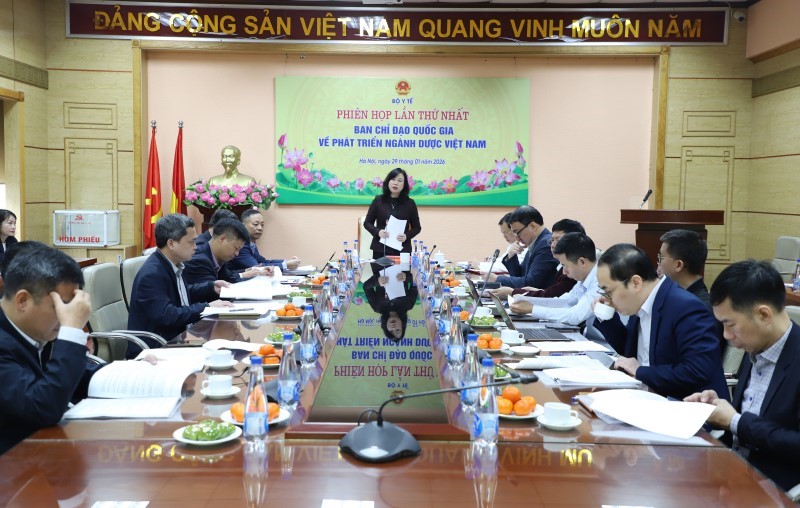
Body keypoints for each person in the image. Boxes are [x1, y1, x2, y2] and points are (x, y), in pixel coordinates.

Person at [685, 260, 800, 492]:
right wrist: (717, 409)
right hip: (731, 473)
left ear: (764, 315)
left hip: (772, 489)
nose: (726, 336)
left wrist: (734, 421)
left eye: (730, 325)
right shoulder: (755, 346)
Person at [593, 243, 728, 400]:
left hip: (685, 404)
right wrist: (606, 317)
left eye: (608, 291)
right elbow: (629, 350)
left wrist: (641, 371)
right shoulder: (639, 301)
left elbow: (697, 371)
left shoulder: (685, 307)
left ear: (635, 283)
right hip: (645, 396)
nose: (607, 298)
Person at [0, 244, 96, 454]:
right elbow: (43, 407)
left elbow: (78, 378)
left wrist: (130, 372)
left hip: (41, 451)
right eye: (60, 307)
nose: (66, 316)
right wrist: (71, 331)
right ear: (23, 300)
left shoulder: (36, 328)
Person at [127, 214, 231, 354]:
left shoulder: (172, 264)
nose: (196, 247)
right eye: (191, 242)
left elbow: (181, 293)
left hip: (178, 338)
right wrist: (206, 307)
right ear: (171, 244)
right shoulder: (152, 274)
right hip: (158, 349)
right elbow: (168, 315)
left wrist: (211, 287)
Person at [508, 233, 602, 339]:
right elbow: (564, 302)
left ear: (582, 262)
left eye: (565, 266)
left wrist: (532, 309)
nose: (564, 272)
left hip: (601, 344)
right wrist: (528, 301)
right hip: (587, 338)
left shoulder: (600, 281)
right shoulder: (584, 278)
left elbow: (575, 316)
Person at [491, 218, 583, 299]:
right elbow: (522, 275)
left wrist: (511, 291)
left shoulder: (544, 246)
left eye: (558, 240)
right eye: (552, 240)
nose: (552, 245)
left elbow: (554, 296)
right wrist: (511, 257)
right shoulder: (535, 245)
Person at [485, 206, 558, 290]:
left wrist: (497, 279)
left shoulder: (546, 244)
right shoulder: (536, 242)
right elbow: (520, 276)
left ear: (533, 226)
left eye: (518, 232)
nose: (517, 238)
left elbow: (530, 283)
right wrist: (511, 257)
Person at [183, 218, 264, 287]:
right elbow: (213, 293)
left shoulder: (219, 257)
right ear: (223, 239)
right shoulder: (200, 260)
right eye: (236, 248)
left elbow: (228, 279)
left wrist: (252, 275)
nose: (237, 254)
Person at [363, 168, 422, 259]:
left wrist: (406, 236)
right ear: (388, 181)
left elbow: (417, 228)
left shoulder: (410, 203)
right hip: (380, 249)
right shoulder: (378, 200)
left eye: (399, 180)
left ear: (404, 184)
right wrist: (378, 232)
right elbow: (367, 223)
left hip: (402, 250)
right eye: (393, 179)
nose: (395, 183)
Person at [229, 208, 301, 271]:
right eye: (255, 224)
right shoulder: (240, 245)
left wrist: (286, 262)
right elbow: (257, 267)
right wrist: (286, 265)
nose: (260, 228)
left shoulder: (251, 242)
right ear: (243, 225)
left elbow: (263, 261)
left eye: (262, 225)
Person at [657, 229, 710, 308]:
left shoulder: (699, 307)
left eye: (661, 258)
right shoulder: (673, 293)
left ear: (678, 265)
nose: (659, 263)